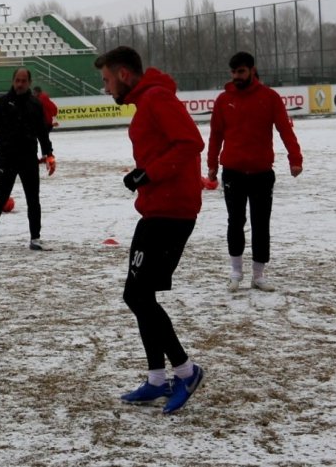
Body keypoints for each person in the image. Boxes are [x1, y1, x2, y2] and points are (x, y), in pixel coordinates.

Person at [94, 46, 205, 414]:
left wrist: (149, 173)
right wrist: (144, 174)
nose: (106, 88)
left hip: (171, 212)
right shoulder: (148, 102)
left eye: (108, 80)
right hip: (157, 209)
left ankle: (186, 372)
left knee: (139, 296)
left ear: (124, 74)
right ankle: (157, 379)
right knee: (137, 295)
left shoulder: (157, 98)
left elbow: (191, 142)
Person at [207, 51, 303, 293]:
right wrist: (211, 165)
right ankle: (236, 272)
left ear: (252, 70)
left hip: (261, 172)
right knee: (235, 222)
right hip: (233, 172)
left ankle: (258, 276)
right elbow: (215, 135)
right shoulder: (222, 100)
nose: (236, 76)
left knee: (261, 224)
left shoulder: (269, 98)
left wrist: (295, 158)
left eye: (241, 71)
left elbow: (285, 130)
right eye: (233, 72)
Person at [0, 68, 56, 251]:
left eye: (23, 81)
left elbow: (42, 133)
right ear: (13, 81)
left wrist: (49, 153)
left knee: (33, 199)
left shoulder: (35, 104)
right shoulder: (1, 103)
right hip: (8, 158)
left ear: (29, 82)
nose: (20, 84)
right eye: (17, 80)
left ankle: (35, 239)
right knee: (1, 198)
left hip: (29, 158)